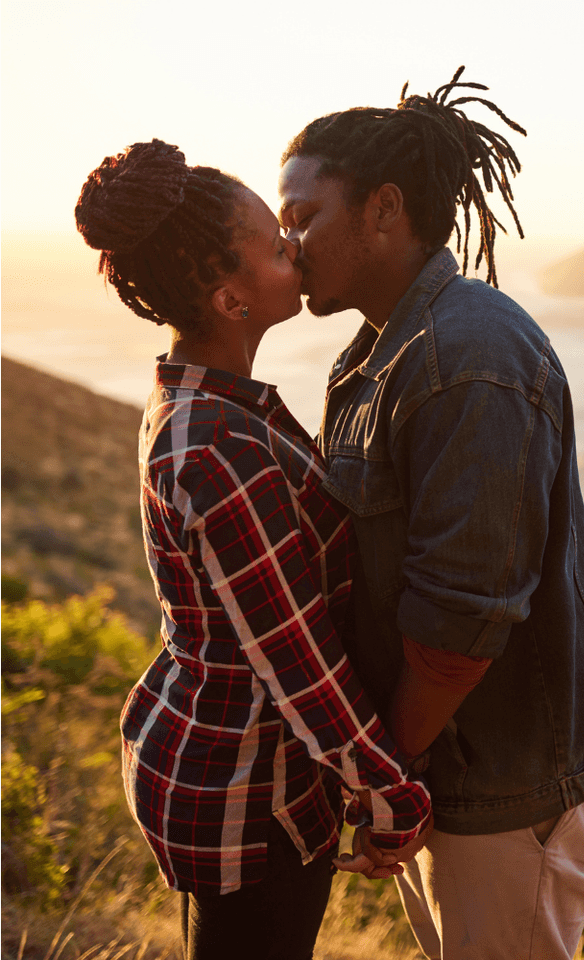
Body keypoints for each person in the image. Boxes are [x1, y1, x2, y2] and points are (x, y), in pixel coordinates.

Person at [277, 68, 584, 959]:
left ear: (384, 209)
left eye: (303, 216)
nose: (289, 244)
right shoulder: (379, 352)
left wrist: (382, 778)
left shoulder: (465, 356)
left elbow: (458, 626)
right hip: (459, 765)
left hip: (512, 781)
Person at [74, 140, 432, 959]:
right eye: (277, 246)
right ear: (233, 298)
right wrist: (390, 794)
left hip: (235, 767)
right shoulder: (216, 446)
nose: (296, 250)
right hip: (239, 790)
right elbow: (293, 656)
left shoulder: (211, 406)